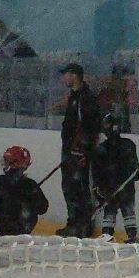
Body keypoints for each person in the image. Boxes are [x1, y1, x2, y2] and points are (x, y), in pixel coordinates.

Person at [55, 62, 101, 238]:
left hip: (78, 152)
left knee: (78, 188)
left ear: (74, 75)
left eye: (66, 74)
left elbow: (89, 126)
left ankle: (82, 225)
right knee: (71, 187)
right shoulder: (75, 97)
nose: (63, 78)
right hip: (71, 151)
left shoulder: (85, 98)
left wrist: (81, 150)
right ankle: (75, 223)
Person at [91, 114, 139, 243]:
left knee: (126, 210)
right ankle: (108, 234)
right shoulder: (103, 149)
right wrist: (100, 190)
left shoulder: (127, 146)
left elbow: (135, 171)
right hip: (110, 189)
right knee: (112, 210)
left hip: (123, 188)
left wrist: (102, 187)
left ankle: (129, 235)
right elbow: (97, 173)